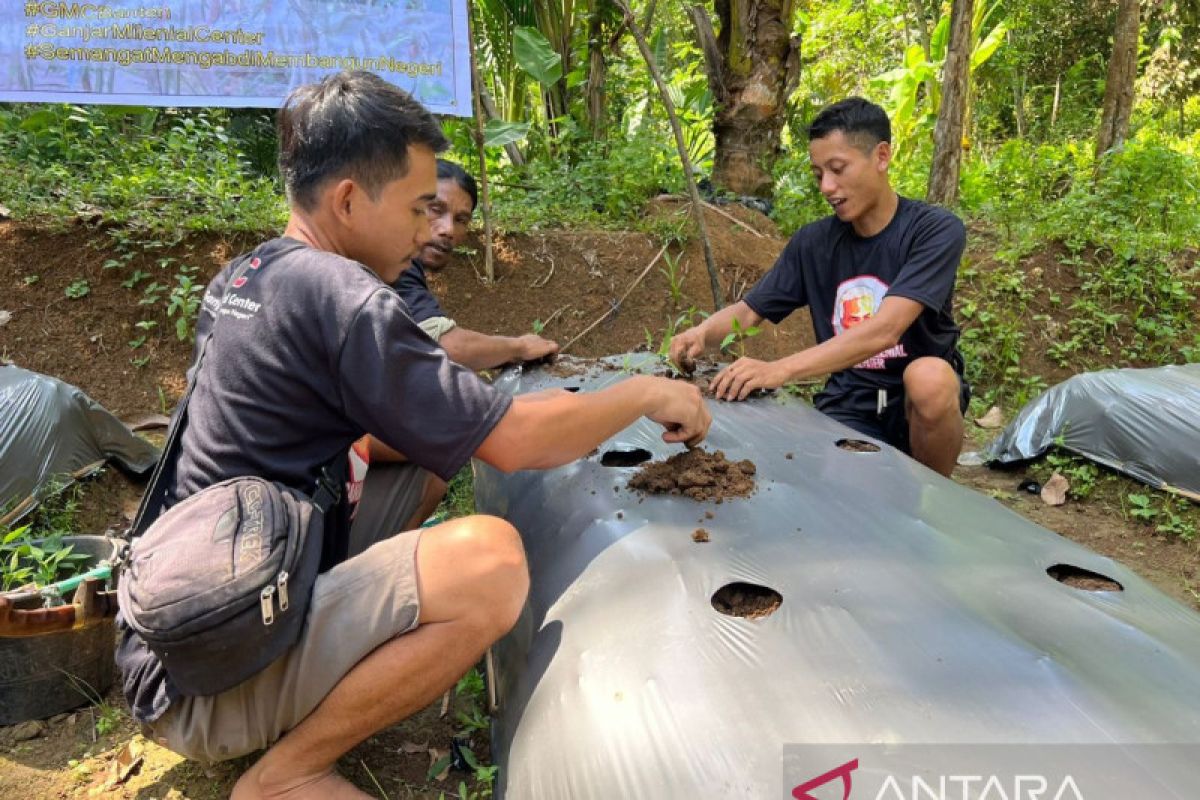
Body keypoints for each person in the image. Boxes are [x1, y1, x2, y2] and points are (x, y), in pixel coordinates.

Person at [115, 71, 710, 800]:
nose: (432, 230)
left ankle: (333, 660)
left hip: (188, 626)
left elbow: (388, 431)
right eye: (418, 207)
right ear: (346, 200)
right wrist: (648, 391)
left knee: (426, 467)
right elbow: (518, 442)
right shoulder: (346, 297)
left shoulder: (251, 272)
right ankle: (286, 775)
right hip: (213, 675)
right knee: (488, 562)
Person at [669, 97, 968, 477]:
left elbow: (886, 330)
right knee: (841, 495)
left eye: (838, 169)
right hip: (851, 402)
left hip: (915, 407)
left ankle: (933, 498)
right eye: (818, 174)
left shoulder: (934, 231)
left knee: (929, 378)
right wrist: (702, 332)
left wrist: (780, 369)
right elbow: (750, 311)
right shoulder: (814, 243)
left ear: (881, 156)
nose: (827, 186)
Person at [392, 159, 559, 370]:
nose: (449, 230)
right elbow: (447, 347)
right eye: (435, 209)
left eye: (461, 219)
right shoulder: (389, 263)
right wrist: (520, 347)